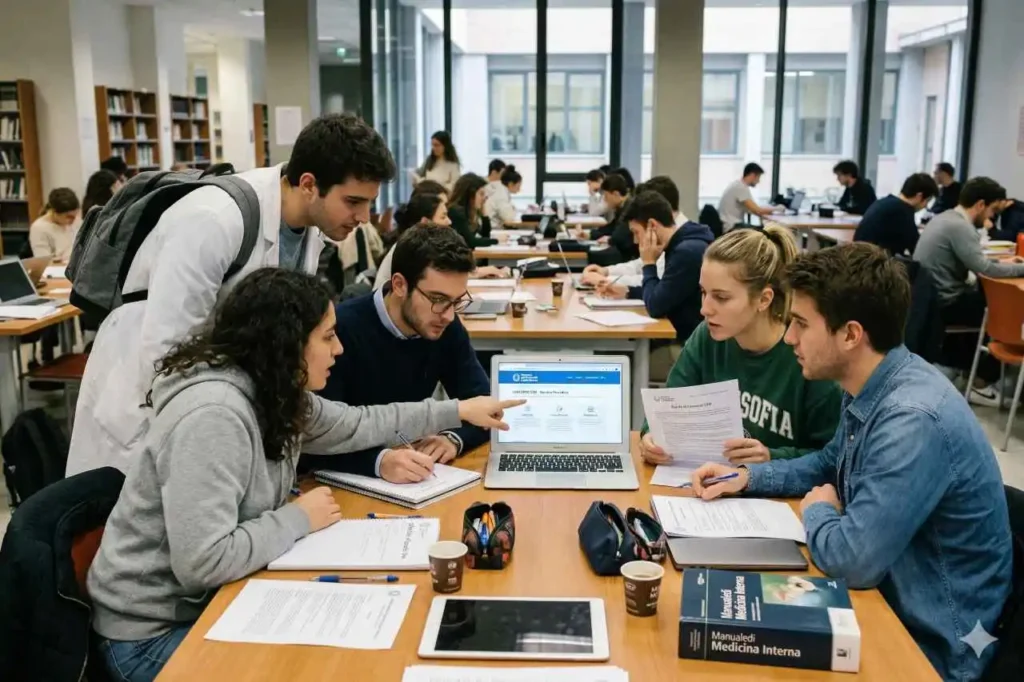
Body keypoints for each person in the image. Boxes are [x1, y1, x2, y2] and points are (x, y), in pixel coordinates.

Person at [86, 268, 520, 682]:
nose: (339, 350)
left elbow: (354, 423)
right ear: (287, 343)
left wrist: (458, 410)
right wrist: (299, 518)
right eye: (328, 337)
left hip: (214, 601)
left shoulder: (274, 390)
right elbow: (203, 562)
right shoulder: (212, 417)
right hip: (153, 634)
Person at [688, 243, 1011, 682]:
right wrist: (747, 478)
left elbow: (851, 561)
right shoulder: (873, 380)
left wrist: (819, 510)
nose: (789, 338)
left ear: (851, 335)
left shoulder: (911, 421)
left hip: (928, 644)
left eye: (801, 324)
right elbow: (828, 464)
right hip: (887, 600)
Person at [66, 113, 398, 477]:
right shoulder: (214, 219)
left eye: (369, 202)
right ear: (308, 184)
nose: (365, 216)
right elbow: (167, 353)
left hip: (219, 398)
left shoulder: (311, 230)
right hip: (144, 395)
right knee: (124, 516)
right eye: (353, 201)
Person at [640, 225, 840, 465]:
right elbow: (666, 409)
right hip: (709, 488)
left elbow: (836, 458)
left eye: (721, 297)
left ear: (764, 299)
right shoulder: (708, 336)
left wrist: (772, 457)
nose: (705, 309)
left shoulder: (807, 353)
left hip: (784, 498)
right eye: (703, 293)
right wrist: (651, 436)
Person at [307, 227, 492, 482]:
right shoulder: (339, 332)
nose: (449, 314)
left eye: (457, 301)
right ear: (400, 285)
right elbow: (315, 438)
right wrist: (377, 462)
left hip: (414, 476)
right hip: (345, 483)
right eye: (438, 299)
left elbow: (484, 406)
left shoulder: (444, 325)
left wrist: (454, 439)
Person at [913, 176, 1024, 404]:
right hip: (948, 303)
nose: (992, 217)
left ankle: (965, 368)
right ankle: (982, 381)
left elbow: (980, 265)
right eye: (992, 210)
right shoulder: (960, 227)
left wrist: (1006, 265)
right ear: (981, 205)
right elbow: (985, 268)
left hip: (930, 298)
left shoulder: (945, 219)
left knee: (990, 301)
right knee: (1007, 314)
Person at [611, 191, 713, 345]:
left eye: (636, 232)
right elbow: (669, 293)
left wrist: (649, 263)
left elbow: (655, 307)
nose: (635, 240)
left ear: (652, 225)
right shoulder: (683, 244)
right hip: (684, 335)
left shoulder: (687, 252)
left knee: (626, 353)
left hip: (689, 345)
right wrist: (629, 292)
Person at [583, 175, 687, 292]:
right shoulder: (670, 233)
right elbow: (641, 264)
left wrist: (605, 280)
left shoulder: (683, 243)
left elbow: (656, 280)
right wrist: (606, 272)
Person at [374, 193, 450, 289]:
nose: (449, 222)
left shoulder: (424, 243)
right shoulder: (412, 247)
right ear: (425, 222)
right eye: (443, 217)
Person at [853, 173, 938, 256]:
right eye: (927, 201)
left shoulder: (885, 202)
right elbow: (916, 248)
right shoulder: (902, 211)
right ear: (919, 196)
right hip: (872, 264)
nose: (926, 206)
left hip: (859, 258)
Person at [718, 163, 777, 231]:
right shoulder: (741, 187)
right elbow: (757, 210)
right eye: (758, 177)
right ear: (752, 175)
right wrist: (778, 209)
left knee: (763, 229)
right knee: (766, 232)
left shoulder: (738, 184)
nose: (758, 181)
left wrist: (768, 212)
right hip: (732, 227)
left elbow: (754, 210)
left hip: (731, 225)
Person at [448, 173, 497, 247]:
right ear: (470, 194)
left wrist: (484, 214)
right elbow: (471, 242)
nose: (485, 198)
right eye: (481, 194)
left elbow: (485, 235)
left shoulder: (469, 211)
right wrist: (497, 240)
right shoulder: (456, 212)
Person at [29, 188, 79, 260]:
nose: (73, 220)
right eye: (69, 217)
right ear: (54, 212)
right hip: (59, 269)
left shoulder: (76, 221)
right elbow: (43, 261)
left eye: (76, 215)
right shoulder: (39, 228)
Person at [485, 164, 523, 229]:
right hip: (493, 228)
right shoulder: (501, 193)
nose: (519, 190)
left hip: (493, 226)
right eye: (518, 186)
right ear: (510, 184)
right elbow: (508, 218)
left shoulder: (499, 188)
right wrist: (513, 209)